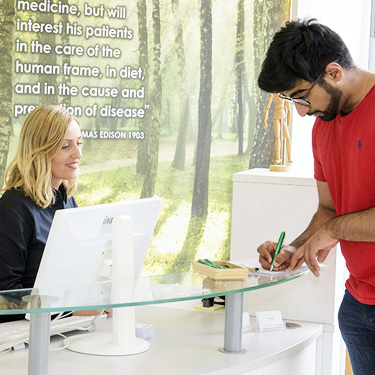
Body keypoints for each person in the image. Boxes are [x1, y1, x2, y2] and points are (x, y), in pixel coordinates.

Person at [256, 18, 375, 375]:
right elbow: (329, 208)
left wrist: (334, 231)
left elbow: (335, 224)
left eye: (302, 97)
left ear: (334, 72)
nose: (301, 112)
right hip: (358, 304)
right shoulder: (325, 126)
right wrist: (295, 247)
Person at [0, 104, 82, 322]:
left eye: (79, 143)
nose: (78, 154)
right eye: (66, 146)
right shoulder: (13, 209)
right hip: (26, 338)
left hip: (62, 329)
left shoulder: (66, 198)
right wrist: (70, 312)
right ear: (40, 150)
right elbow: (5, 298)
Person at [263, 93, 292, 166]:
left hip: (281, 116)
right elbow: (267, 108)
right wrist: (264, 121)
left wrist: (288, 122)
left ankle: (289, 158)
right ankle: (278, 158)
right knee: (278, 137)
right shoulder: (274, 94)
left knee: (286, 138)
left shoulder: (284, 94)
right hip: (278, 115)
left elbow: (289, 110)